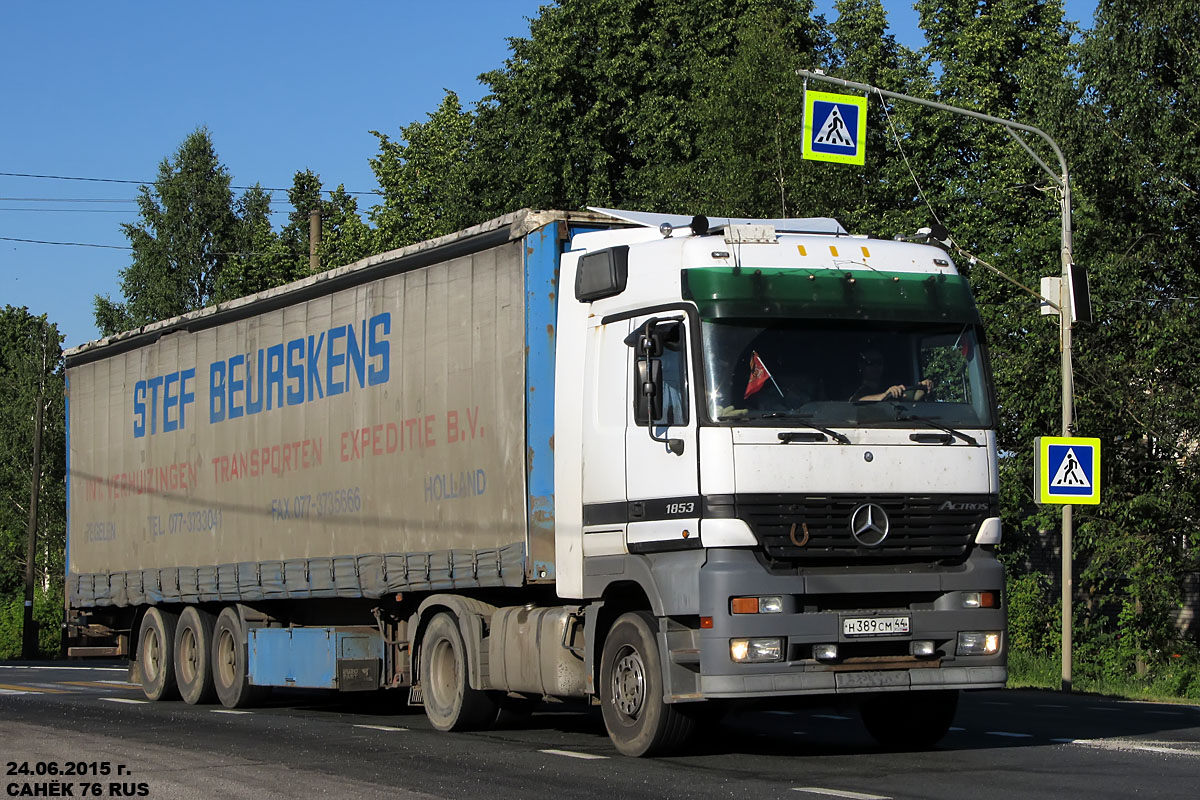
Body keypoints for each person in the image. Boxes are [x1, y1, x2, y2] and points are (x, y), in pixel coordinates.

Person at [850, 347, 933, 402]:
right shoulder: (853, 388)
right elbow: (855, 402)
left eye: (879, 362)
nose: (876, 366)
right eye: (870, 363)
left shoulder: (892, 385)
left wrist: (923, 388)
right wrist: (886, 395)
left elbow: (912, 398)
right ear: (861, 366)